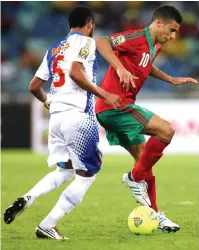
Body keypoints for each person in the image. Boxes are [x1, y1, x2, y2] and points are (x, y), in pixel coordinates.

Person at [4, 6, 121, 240]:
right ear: (90, 24)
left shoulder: (54, 48)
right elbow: (77, 73)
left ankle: (28, 197)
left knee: (65, 169)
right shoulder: (87, 42)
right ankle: (48, 224)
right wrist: (104, 95)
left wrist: (49, 102)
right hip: (77, 117)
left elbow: (34, 86)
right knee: (88, 174)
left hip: (56, 117)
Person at [95, 5, 199, 233]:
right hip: (117, 106)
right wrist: (120, 68)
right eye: (171, 30)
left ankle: (155, 214)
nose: (173, 37)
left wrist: (170, 79)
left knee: (144, 161)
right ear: (159, 22)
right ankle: (133, 177)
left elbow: (145, 65)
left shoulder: (155, 46)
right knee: (166, 131)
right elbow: (101, 41)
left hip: (113, 110)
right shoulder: (135, 36)